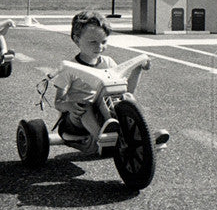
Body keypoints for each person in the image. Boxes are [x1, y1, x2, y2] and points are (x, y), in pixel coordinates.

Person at [53, 10, 169, 145]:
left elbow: (127, 91)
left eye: (103, 42)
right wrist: (69, 105)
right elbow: (58, 102)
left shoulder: (108, 63)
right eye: (93, 42)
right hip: (76, 122)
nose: (100, 47)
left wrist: (138, 69)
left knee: (127, 99)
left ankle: (143, 135)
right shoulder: (70, 68)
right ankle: (102, 139)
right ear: (77, 40)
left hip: (104, 115)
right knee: (86, 107)